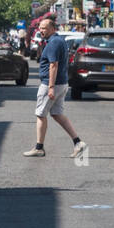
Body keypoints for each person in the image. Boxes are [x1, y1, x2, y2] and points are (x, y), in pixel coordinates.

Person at [25, 17, 87, 159]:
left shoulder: (53, 43)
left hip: (51, 84)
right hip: (62, 83)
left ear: (52, 29)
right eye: (40, 28)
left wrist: (50, 87)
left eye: (44, 28)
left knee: (41, 114)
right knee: (57, 114)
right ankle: (78, 142)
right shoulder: (59, 41)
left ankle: (39, 147)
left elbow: (54, 65)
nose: (41, 30)